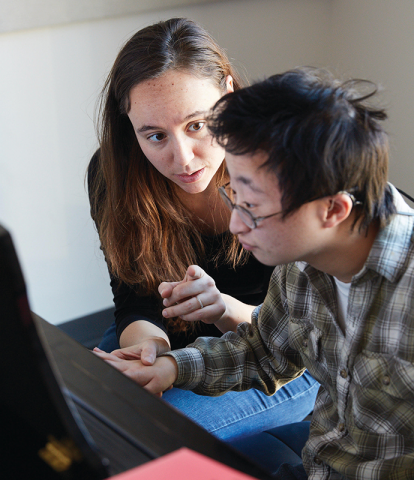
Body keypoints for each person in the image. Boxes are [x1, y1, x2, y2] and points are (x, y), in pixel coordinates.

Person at [94, 68, 414, 479]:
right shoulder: (302, 262)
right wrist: (170, 366)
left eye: (254, 208)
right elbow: (265, 350)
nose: (235, 225)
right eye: (235, 197)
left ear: (333, 209)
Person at [88, 18, 318, 442]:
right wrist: (148, 348)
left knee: (144, 435)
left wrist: (222, 308)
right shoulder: (114, 174)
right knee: (77, 411)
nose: (183, 159)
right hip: (173, 338)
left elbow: (304, 334)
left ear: (228, 94)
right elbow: (135, 300)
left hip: (283, 358)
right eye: (155, 135)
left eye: (197, 125)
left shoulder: (285, 167)